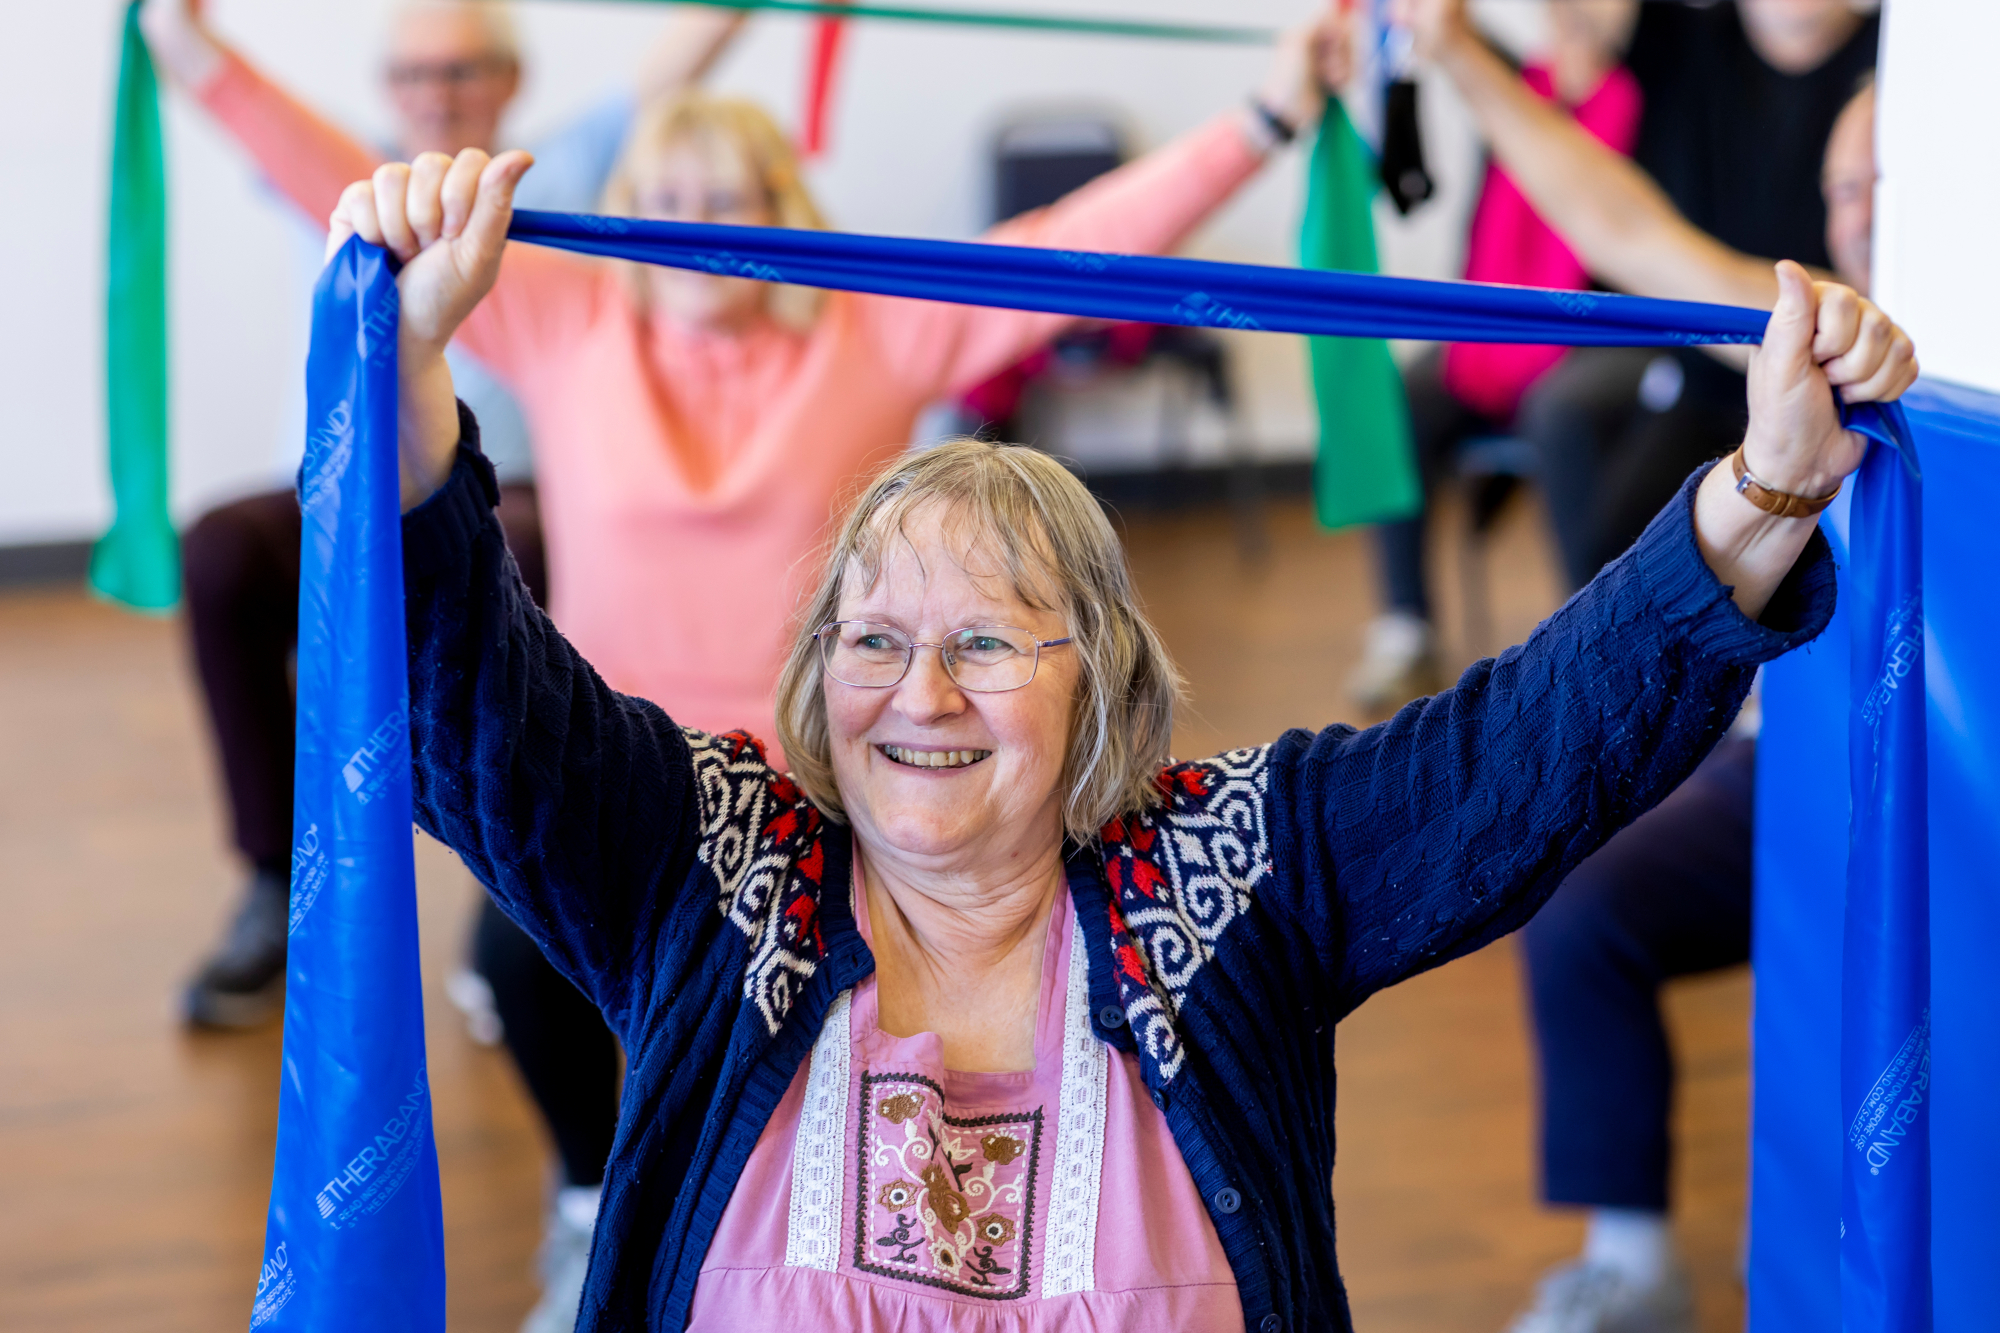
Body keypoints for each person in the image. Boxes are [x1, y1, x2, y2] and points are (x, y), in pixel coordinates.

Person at [309, 135, 1913, 1329]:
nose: (920, 697)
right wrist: (417, 355)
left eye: (989, 642)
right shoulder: (712, 865)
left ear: (1105, 680)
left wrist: (1764, 485)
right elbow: (475, 707)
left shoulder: (1233, 873)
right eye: (874, 641)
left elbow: (1526, 753)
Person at [139, 4, 741, 1328]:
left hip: (530, 489)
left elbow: (686, 60)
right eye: (414, 73)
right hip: (378, 476)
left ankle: (525, 880)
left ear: (509, 80)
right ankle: (263, 876)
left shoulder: (564, 165)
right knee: (233, 555)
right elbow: (214, 80)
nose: (438, 93)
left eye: (464, 68)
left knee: (496, 549)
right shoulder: (362, 179)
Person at [1388, 4, 1895, 1325]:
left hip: (1940, 796)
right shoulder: (1826, 335)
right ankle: (1631, 1266)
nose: (1855, 208)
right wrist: (1457, 59)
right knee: (1583, 903)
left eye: (1882, 182)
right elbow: (1618, 221)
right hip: (1790, 759)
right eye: (1843, 184)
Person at [1354, 0, 1883, 708]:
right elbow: (1618, 221)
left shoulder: (1902, 62)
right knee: (1620, 568)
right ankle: (1577, 692)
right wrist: (1450, 42)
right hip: (1704, 383)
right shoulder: (1687, 42)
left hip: (1851, 397)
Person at [1348, 0, 1645, 709]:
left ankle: (1595, 633)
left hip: (1615, 329)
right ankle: (1405, 627)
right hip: (1505, 329)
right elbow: (1458, 41)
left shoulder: (1656, 87)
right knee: (1397, 398)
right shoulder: (1518, 85)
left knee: (1561, 409)